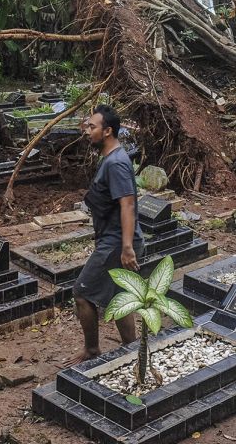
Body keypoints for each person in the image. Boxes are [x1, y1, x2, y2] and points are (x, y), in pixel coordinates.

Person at [68, 104, 144, 365]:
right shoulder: (111, 158)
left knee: (82, 292)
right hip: (113, 238)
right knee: (118, 296)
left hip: (116, 242)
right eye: (87, 126)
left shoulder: (116, 164)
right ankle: (131, 348)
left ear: (108, 131)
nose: (86, 131)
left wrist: (126, 247)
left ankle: (91, 349)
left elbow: (128, 204)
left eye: (92, 127)